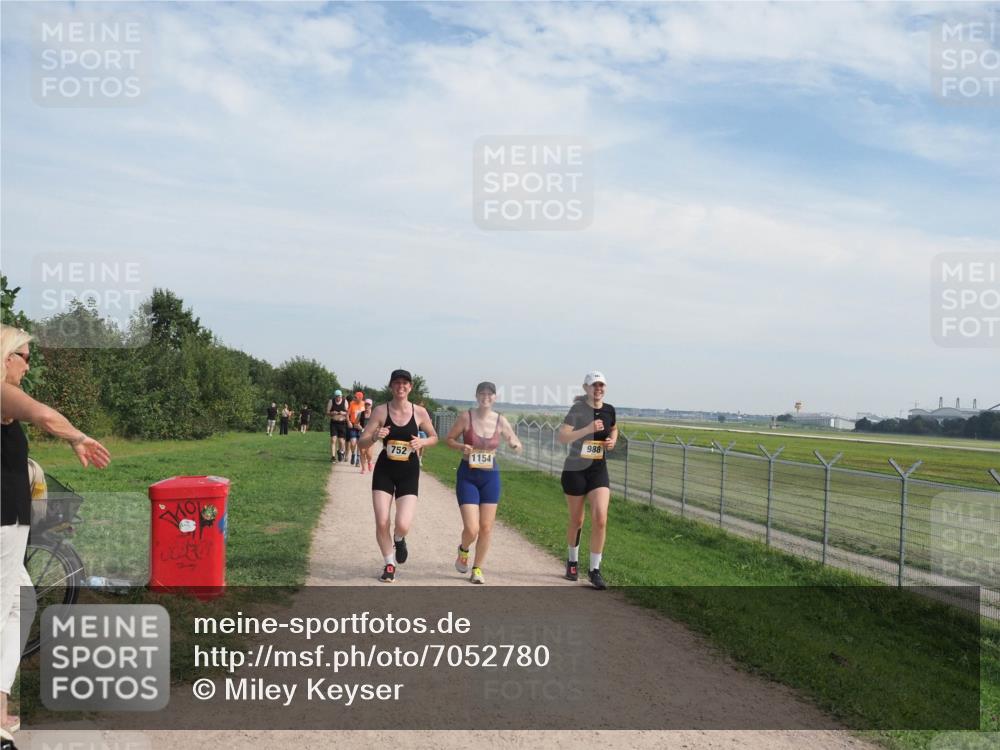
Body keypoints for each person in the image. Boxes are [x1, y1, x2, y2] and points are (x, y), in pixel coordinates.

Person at [1, 325, 110, 736]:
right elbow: (44, 415)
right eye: (25, 358)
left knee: (23, 603)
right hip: (3, 525)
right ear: (6, 357)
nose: (29, 367)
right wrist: (78, 438)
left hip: (11, 522)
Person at [358, 370, 438, 582]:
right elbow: (362, 442)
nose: (401, 386)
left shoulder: (419, 412)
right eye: (396, 383)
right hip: (385, 470)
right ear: (391, 386)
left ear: (410, 387)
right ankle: (389, 564)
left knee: (402, 524)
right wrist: (375, 436)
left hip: (409, 471)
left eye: (405, 383)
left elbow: (434, 437)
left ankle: (399, 538)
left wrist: (422, 442)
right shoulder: (380, 411)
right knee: (382, 520)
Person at [444, 382, 522, 584]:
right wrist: (461, 446)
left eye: (490, 394)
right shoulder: (466, 417)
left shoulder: (500, 420)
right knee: (472, 529)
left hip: (490, 476)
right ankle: (463, 549)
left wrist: (514, 445)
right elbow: (449, 439)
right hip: (468, 475)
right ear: (476, 396)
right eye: (482, 393)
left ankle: (477, 569)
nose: (486, 397)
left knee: (486, 527)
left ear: (495, 397)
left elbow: (514, 440)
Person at [558, 371, 617, 590]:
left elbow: (614, 428)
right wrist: (587, 429)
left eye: (601, 385)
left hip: (598, 471)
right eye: (594, 385)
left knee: (600, 518)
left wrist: (612, 440)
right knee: (577, 520)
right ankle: (572, 562)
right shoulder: (578, 410)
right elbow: (563, 437)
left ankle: (595, 570)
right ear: (586, 388)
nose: (598, 389)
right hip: (575, 470)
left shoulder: (609, 410)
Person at [326, 389, 348, 462]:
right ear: (335, 396)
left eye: (339, 396)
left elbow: (348, 412)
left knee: (341, 441)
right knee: (333, 440)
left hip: (342, 423)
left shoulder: (345, 402)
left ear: (341, 396)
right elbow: (327, 412)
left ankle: (341, 451)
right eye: (336, 397)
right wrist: (332, 413)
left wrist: (343, 413)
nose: (338, 398)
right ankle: (333, 457)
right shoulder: (331, 401)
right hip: (334, 423)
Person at [347, 391, 366, 466]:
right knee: (353, 442)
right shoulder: (352, 403)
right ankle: (353, 454)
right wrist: (348, 422)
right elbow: (347, 414)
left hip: (361, 426)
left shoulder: (364, 404)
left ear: (360, 398)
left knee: (359, 443)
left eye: (356, 397)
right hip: (353, 426)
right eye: (354, 397)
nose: (354, 398)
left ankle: (358, 458)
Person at [358, 398, 374, 474]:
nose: (367, 406)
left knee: (369, 453)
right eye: (366, 404)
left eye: (368, 404)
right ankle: (363, 468)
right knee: (362, 451)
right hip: (362, 435)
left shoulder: (374, 415)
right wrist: (360, 428)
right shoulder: (360, 414)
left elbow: (379, 424)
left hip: (371, 436)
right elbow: (356, 423)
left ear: (371, 406)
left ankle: (370, 461)